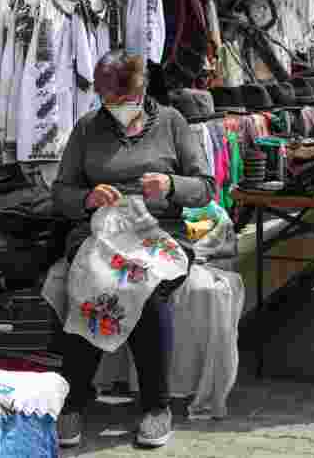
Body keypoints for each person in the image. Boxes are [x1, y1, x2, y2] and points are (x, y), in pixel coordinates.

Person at [51, 50, 215, 448]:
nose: (120, 107)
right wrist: (88, 198)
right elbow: (61, 193)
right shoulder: (88, 128)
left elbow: (206, 187)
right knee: (95, 280)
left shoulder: (173, 123)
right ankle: (73, 401)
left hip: (161, 231)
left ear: (142, 90)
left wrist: (172, 186)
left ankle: (157, 407)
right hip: (100, 234)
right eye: (110, 100)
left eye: (126, 99)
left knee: (144, 286)